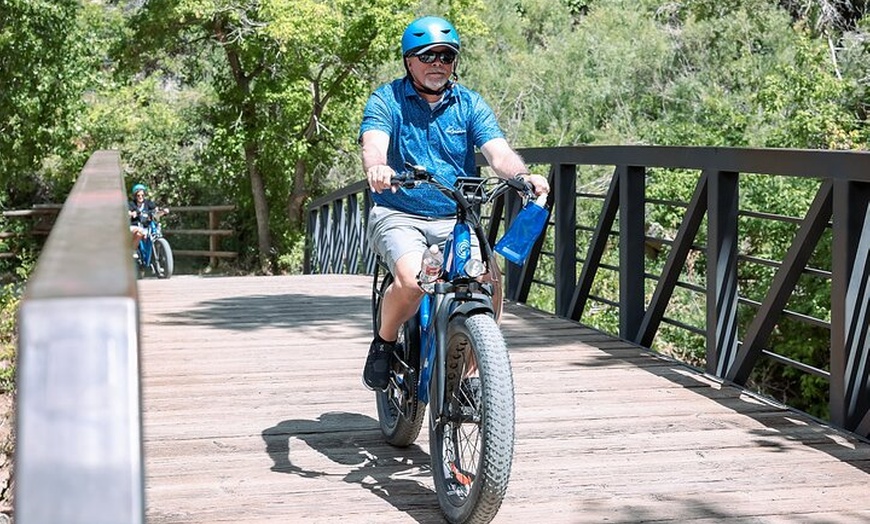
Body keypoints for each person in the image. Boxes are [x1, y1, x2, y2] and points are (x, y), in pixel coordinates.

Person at [359, 16, 550, 390]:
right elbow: (374, 143)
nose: (438, 64)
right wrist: (378, 168)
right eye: (428, 55)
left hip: (455, 215)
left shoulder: (468, 103)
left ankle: (472, 377)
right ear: (408, 60)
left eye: (447, 56)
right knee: (415, 282)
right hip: (399, 211)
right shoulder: (388, 99)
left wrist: (522, 178)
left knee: (488, 283)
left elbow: (498, 153)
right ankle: (384, 341)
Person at [128, 183, 165, 253]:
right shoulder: (131, 204)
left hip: (146, 227)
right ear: (135, 196)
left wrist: (163, 211)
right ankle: (133, 251)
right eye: (138, 195)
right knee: (139, 233)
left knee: (152, 235)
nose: (140, 197)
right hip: (135, 226)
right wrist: (132, 213)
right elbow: (128, 212)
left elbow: (156, 210)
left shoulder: (148, 203)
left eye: (142, 195)